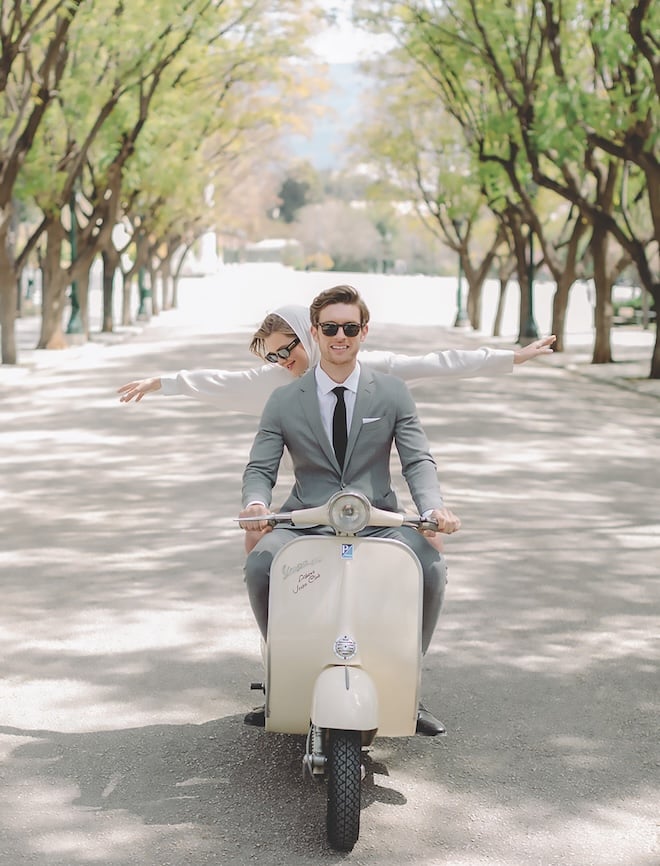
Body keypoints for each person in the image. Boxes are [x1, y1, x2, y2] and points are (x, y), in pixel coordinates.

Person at [238, 285, 461, 737]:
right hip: (306, 521)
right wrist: (257, 503)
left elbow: (417, 460)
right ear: (315, 333)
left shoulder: (393, 394)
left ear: (363, 331)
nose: (341, 336)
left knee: (431, 567)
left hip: (378, 521)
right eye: (330, 328)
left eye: (350, 327)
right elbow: (260, 465)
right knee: (261, 566)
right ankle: (283, 676)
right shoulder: (284, 400)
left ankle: (406, 682)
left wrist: (433, 507)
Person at [117, 304, 556, 411]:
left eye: (286, 350)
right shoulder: (274, 383)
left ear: (308, 336)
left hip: (368, 497)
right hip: (308, 502)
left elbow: (438, 362)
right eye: (273, 358)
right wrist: (163, 382)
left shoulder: (370, 367)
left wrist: (509, 358)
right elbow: (218, 382)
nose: (282, 361)